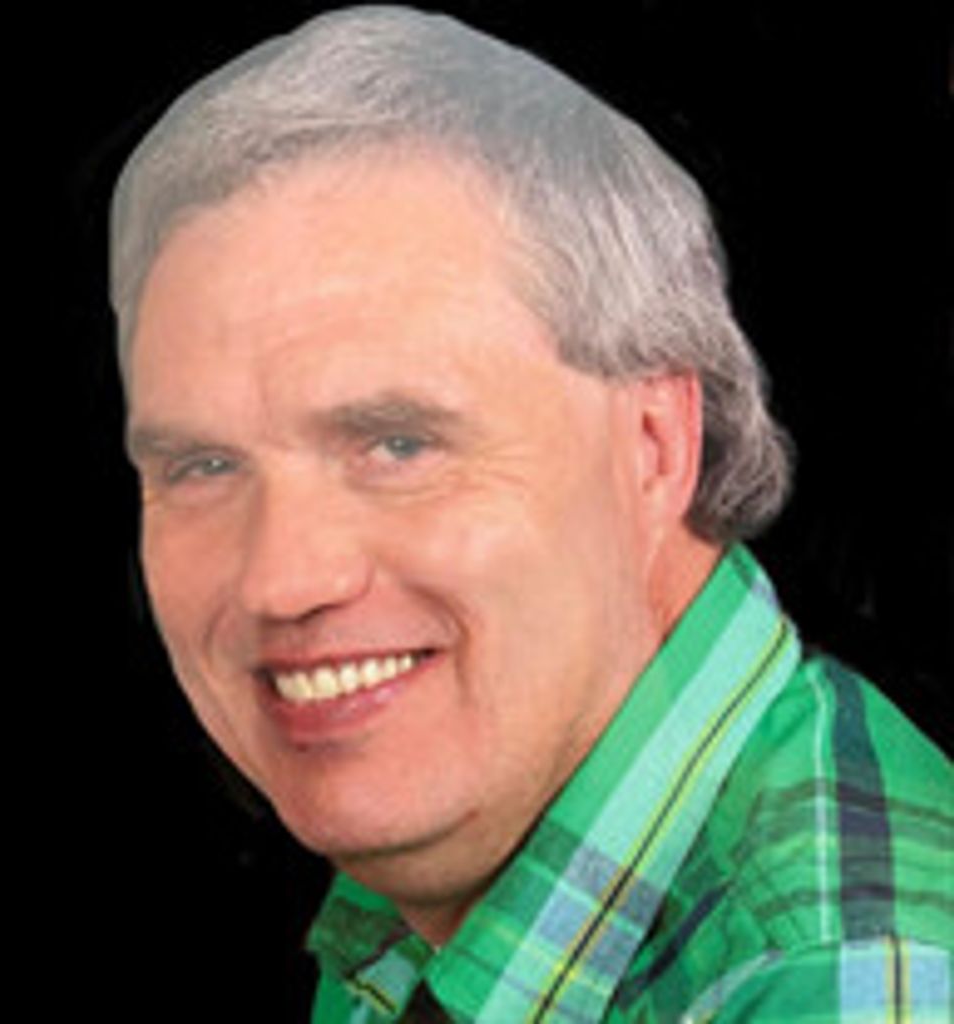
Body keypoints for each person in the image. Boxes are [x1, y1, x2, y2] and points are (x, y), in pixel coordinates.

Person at [110, 6, 952, 1020]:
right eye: (202, 465)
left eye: (398, 444)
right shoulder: (461, 862)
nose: (281, 580)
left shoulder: (847, 979)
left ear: (654, 446)